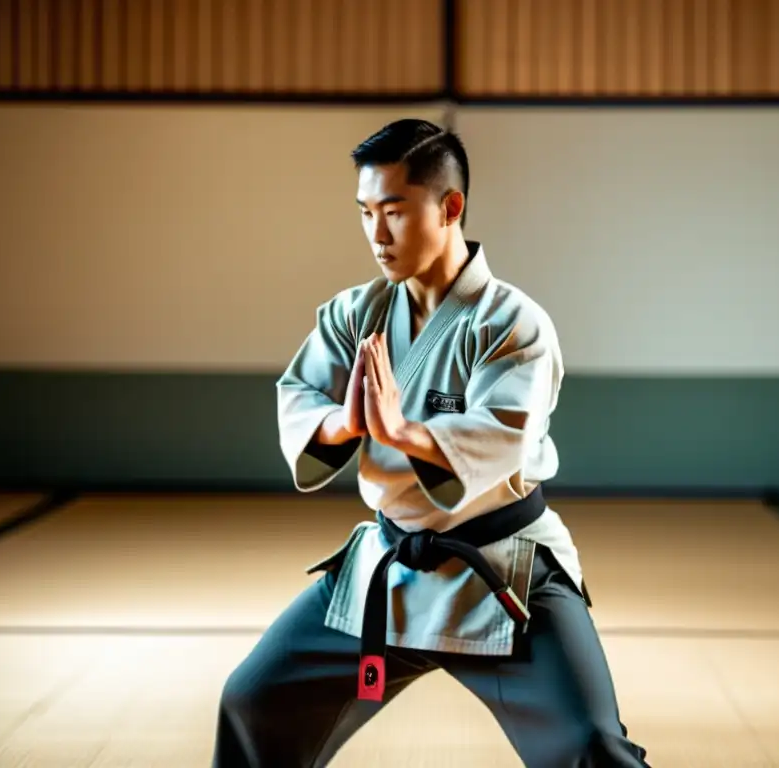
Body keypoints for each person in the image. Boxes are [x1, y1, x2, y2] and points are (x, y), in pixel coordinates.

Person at [212, 118, 650, 767]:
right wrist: (348, 423)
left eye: (394, 211)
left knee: (591, 746)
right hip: (391, 568)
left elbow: (503, 433)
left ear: (450, 208)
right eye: (365, 212)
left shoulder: (512, 322)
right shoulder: (353, 314)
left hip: (503, 572)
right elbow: (303, 395)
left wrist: (405, 432)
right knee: (253, 703)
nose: (376, 234)